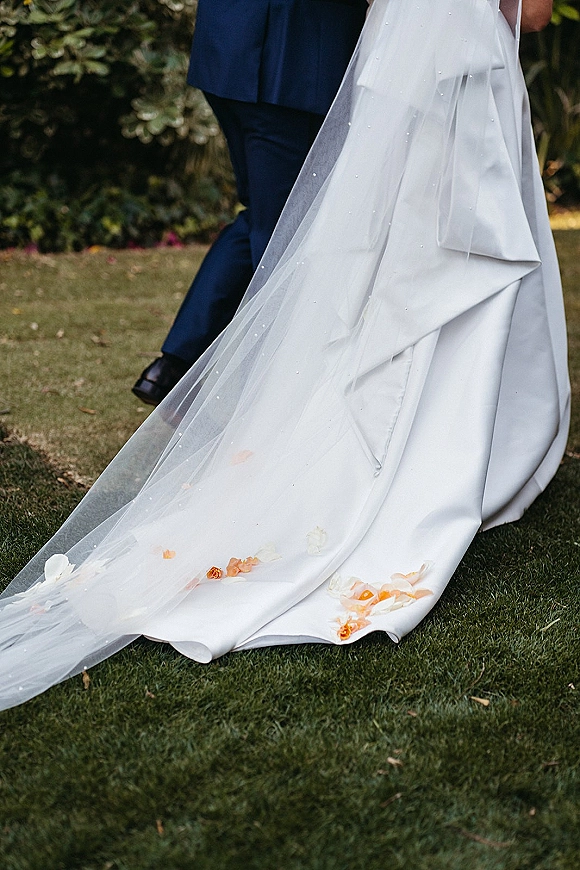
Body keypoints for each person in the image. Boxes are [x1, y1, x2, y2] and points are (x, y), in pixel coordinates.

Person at [0, 0, 568, 710]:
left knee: (324, 251)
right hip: (375, 70)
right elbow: (535, 14)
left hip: (374, 67)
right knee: (301, 251)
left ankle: (196, 372)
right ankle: (261, 399)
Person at [132, 0, 368, 406]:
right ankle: (260, 396)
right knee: (282, 236)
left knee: (267, 219)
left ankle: (175, 366)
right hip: (289, 61)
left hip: (233, 45)